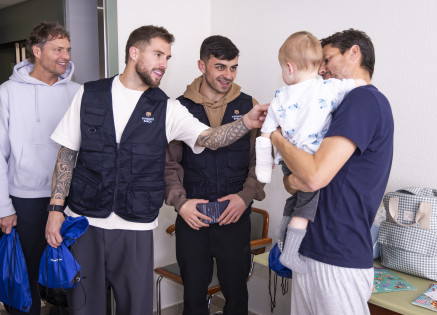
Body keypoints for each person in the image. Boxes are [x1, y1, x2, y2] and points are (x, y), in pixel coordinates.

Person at [44, 25, 268, 315]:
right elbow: (66, 154)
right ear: (134, 52)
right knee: (85, 306)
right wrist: (55, 209)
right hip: (84, 220)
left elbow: (210, 139)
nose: (164, 63)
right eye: (158, 54)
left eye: (168, 57)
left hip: (135, 225)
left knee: (136, 308)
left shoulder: (167, 108)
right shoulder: (89, 94)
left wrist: (247, 122)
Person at [270, 29, 394, 315]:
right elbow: (294, 182)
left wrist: (275, 138)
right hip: (309, 248)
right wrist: (292, 177)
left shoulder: (363, 100)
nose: (320, 69)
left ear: (353, 53)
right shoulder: (327, 106)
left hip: (338, 254)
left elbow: (313, 177)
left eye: (326, 59)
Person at [164, 35, 265, 315]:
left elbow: (260, 161)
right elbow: (168, 165)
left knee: (236, 293)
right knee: (194, 295)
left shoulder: (249, 106)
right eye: (220, 67)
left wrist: (245, 198)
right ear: (202, 65)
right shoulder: (178, 108)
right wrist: (181, 203)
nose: (228, 75)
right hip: (193, 217)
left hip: (235, 215)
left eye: (233, 68)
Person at [255, 31, 365, 274]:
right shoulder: (328, 88)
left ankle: (283, 242)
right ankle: (290, 254)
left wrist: (264, 169)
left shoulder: (279, 97)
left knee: (293, 202)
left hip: (287, 161)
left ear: (290, 67)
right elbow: (358, 84)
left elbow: (265, 136)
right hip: (309, 159)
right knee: (305, 208)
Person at [0, 21, 80, 315]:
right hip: (26, 199)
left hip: (72, 198)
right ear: (37, 51)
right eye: (58, 49)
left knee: (70, 276)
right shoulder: (7, 93)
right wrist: (3, 207)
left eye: (68, 50)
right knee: (27, 278)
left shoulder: (78, 92)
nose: (66, 56)